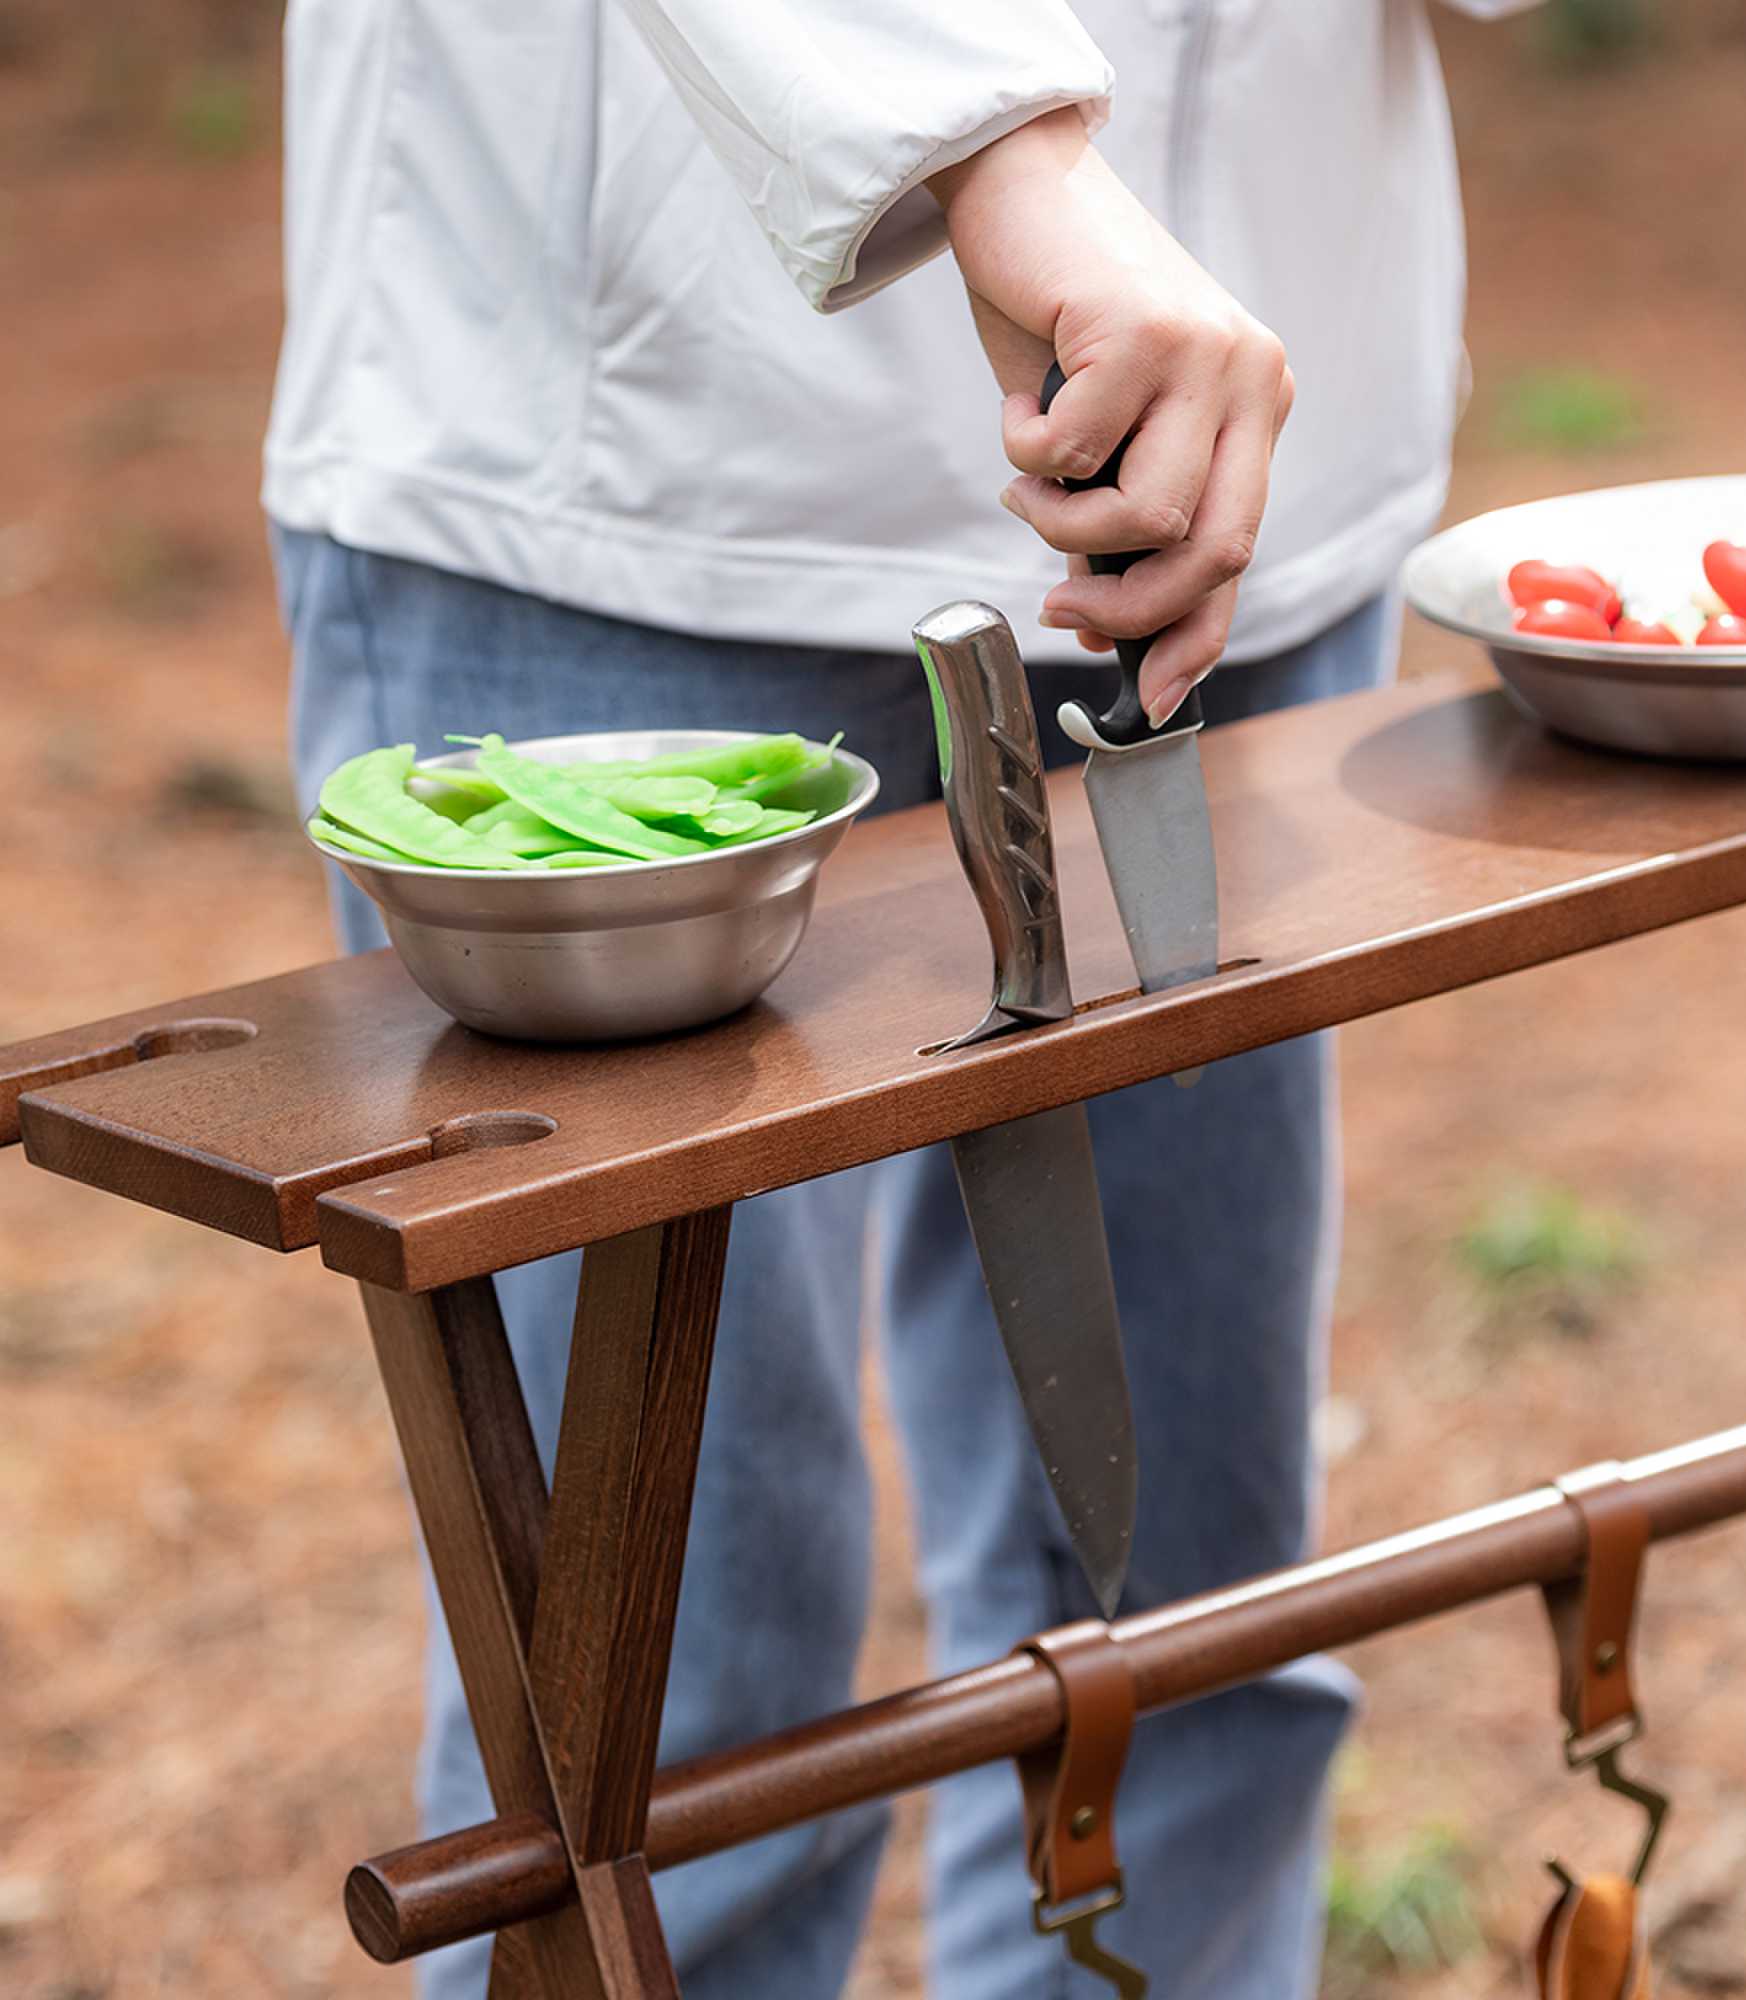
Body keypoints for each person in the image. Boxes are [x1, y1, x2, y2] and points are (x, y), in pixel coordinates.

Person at [270, 3, 1526, 1993]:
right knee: (663, 1719)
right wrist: (987, 151)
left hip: (1228, 470)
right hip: (625, 476)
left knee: (1176, 1619)